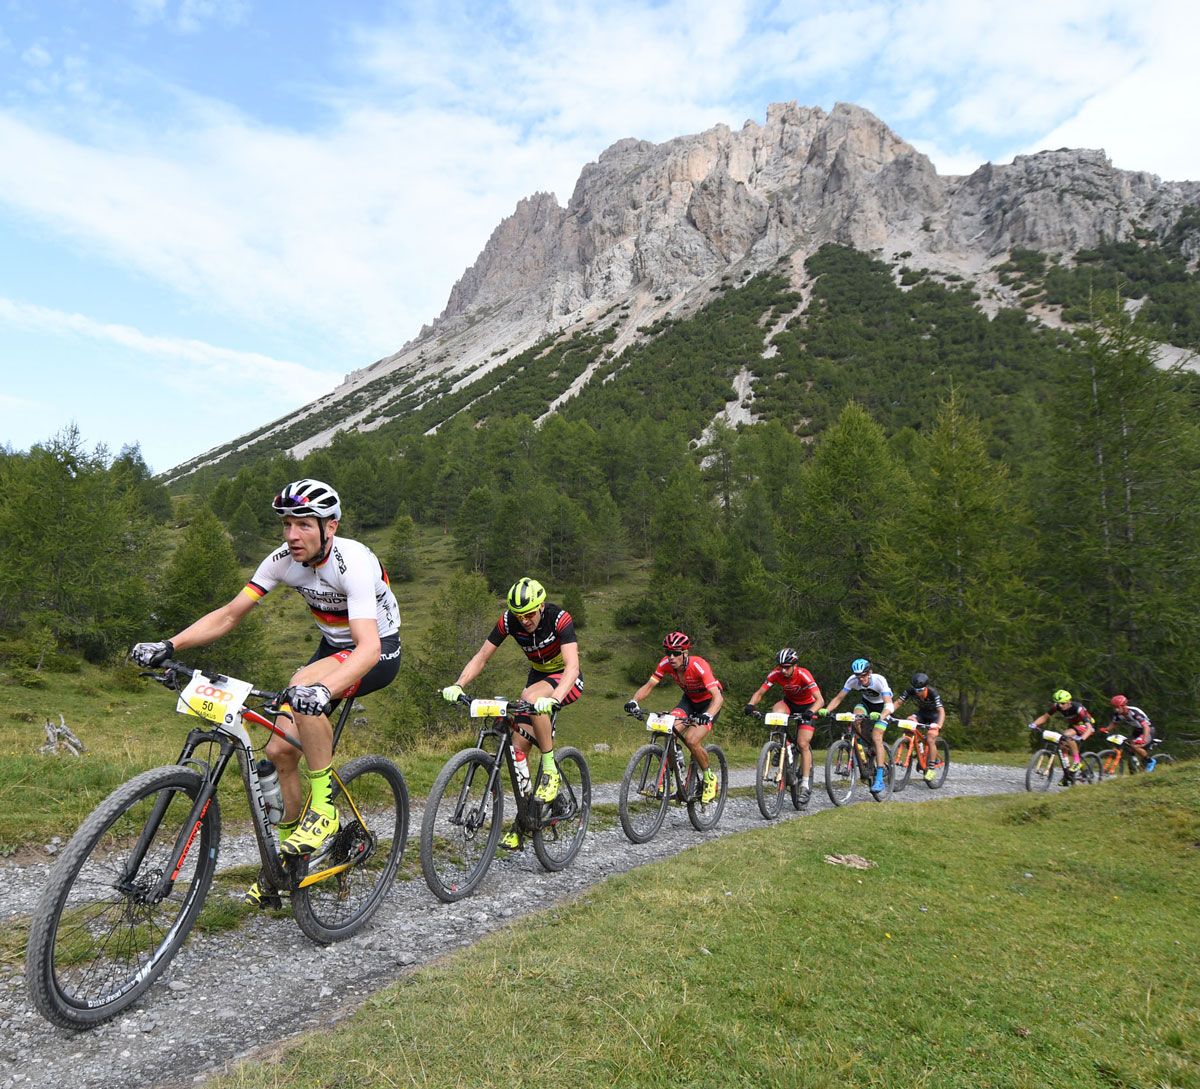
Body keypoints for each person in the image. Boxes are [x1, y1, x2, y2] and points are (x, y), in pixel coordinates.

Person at [131, 478, 402, 905]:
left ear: (330, 527)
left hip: (377, 649)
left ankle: (325, 812)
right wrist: (169, 645)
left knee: (302, 687)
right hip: (332, 647)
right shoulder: (282, 560)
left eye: (304, 525)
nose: (292, 535)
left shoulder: (353, 562)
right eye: (287, 524)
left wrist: (322, 690)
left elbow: (366, 647)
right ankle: (286, 865)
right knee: (278, 752)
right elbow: (229, 614)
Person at [441, 577, 582, 850]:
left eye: (530, 614)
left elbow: (572, 667)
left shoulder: (559, 619)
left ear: (541, 607)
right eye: (520, 615)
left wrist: (554, 698)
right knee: (518, 749)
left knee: (531, 698)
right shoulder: (508, 621)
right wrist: (459, 685)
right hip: (538, 677)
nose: (525, 620)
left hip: (566, 680)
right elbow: (482, 656)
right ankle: (525, 819)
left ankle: (550, 771)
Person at [625, 631, 724, 804]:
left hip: (708, 704)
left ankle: (709, 778)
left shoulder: (699, 665)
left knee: (692, 740)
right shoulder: (666, 664)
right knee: (669, 729)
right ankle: (670, 779)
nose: (671, 657)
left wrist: (708, 715)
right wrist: (634, 701)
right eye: (668, 652)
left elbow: (718, 697)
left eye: (676, 653)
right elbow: (649, 685)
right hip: (689, 701)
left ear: (685, 653)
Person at [744, 647, 824, 804]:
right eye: (781, 667)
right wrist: (750, 704)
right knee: (776, 715)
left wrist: (810, 711)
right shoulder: (776, 673)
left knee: (803, 744)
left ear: (795, 665)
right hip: (789, 703)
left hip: (808, 707)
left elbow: (820, 700)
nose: (783, 670)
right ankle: (782, 746)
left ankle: (805, 784)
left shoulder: (803, 674)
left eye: (787, 667)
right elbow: (760, 692)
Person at [820, 657, 894, 795]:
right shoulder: (852, 680)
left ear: (869, 672)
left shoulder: (879, 680)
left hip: (883, 709)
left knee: (876, 736)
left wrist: (881, 716)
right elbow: (839, 698)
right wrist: (827, 710)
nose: (861, 679)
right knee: (855, 718)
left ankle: (879, 778)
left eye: (864, 675)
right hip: (866, 705)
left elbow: (890, 705)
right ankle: (864, 747)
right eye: (858, 676)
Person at [893, 672, 946, 782]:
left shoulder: (933, 693)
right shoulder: (911, 690)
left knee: (930, 737)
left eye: (920, 690)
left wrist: (939, 725)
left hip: (934, 717)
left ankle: (931, 768)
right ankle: (916, 746)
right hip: (922, 714)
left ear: (925, 687)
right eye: (915, 690)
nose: (917, 692)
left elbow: (941, 711)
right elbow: (898, 702)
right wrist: (886, 713)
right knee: (908, 722)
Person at [1028, 689, 1095, 775]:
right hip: (1074, 726)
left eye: (1062, 703)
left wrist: (1082, 739)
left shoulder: (1078, 708)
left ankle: (1077, 761)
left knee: (1066, 735)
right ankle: (1067, 773)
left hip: (1086, 726)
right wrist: (1034, 724)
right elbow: (1045, 717)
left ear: (1069, 701)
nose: (1060, 705)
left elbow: (1089, 728)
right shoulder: (1057, 706)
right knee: (1062, 744)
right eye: (1058, 703)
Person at [1104, 694, 1156, 771]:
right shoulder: (1118, 714)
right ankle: (1135, 765)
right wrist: (1106, 729)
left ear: (1123, 706)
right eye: (1114, 707)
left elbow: (1146, 727)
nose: (1116, 710)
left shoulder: (1134, 712)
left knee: (1135, 746)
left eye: (1117, 707)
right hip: (1137, 730)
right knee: (1129, 745)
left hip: (1148, 730)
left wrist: (1143, 739)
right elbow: (1114, 723)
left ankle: (1150, 761)